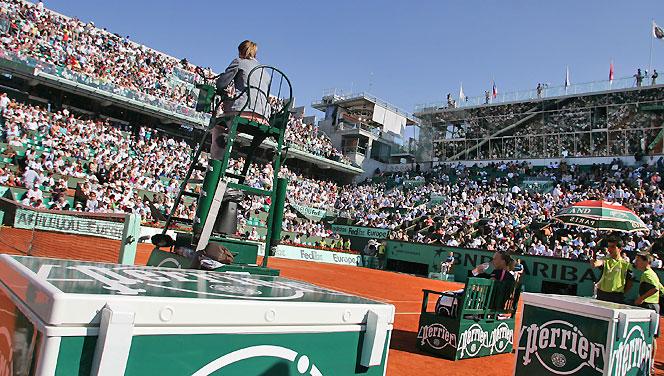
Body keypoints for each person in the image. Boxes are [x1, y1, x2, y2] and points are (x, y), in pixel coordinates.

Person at [212, 40, 272, 160]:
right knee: (233, 128)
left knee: (217, 125)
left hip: (243, 110)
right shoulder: (266, 72)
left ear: (240, 51)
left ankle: (214, 163)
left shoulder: (239, 62)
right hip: (263, 117)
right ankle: (228, 139)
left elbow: (221, 84)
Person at [633, 252, 662, 374]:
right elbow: (660, 289)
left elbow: (655, 288)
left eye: (638, 260)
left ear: (646, 261)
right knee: (650, 335)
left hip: (649, 306)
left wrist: (642, 298)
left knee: (650, 335)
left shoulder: (647, 273)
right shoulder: (652, 274)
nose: (636, 262)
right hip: (652, 305)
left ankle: (650, 364)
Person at [590, 234, 633, 304]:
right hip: (602, 295)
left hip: (617, 296)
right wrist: (594, 255)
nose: (609, 249)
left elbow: (630, 284)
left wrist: (621, 293)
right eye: (608, 246)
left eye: (613, 247)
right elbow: (595, 264)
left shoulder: (626, 265)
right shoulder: (605, 260)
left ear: (620, 249)